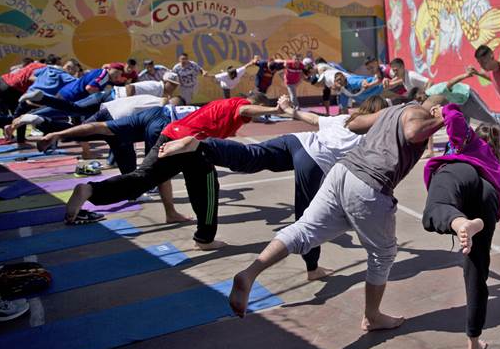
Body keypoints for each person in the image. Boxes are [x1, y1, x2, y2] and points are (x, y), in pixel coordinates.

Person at [227, 98, 447, 330]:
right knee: (383, 254)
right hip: (369, 184)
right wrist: (443, 119)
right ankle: (372, 316)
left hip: (342, 171)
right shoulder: (419, 115)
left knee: (304, 229)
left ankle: (249, 273)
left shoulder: (394, 110)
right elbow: (413, 131)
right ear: (435, 109)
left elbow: (355, 124)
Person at [157, 95, 389, 280]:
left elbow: (312, 119)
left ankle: (202, 146)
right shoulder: (371, 136)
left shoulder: (344, 119)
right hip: (314, 161)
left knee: (251, 154)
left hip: (296, 141)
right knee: (308, 218)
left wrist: (288, 110)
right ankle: (313, 268)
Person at [64, 93, 282, 248]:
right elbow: (245, 109)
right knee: (206, 188)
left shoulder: (222, 103)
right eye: (261, 110)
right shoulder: (241, 105)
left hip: (170, 134)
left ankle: (90, 190)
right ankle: (204, 239)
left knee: (143, 178)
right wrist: (276, 110)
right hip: (188, 144)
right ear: (258, 103)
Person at [421, 103, 500, 349]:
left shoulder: (470, 143)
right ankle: (474, 342)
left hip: (460, 173)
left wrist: (442, 109)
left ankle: (459, 222)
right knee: (476, 275)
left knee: (435, 209)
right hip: (488, 200)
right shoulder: (499, 171)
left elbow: (455, 118)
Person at [38, 97, 195, 224]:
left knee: (103, 128)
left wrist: (59, 134)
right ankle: (91, 190)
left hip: (152, 115)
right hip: (167, 126)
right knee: (152, 176)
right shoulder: (199, 114)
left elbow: (100, 126)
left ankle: (50, 128)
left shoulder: (161, 107)